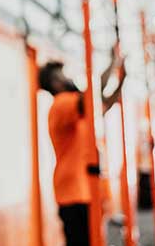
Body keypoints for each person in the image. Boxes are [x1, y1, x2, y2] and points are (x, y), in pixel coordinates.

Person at [39, 49, 126, 246]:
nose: (69, 78)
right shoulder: (61, 105)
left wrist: (122, 79)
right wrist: (113, 62)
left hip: (83, 190)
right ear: (55, 83)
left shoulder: (76, 109)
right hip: (73, 193)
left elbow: (103, 104)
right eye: (63, 75)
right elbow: (93, 96)